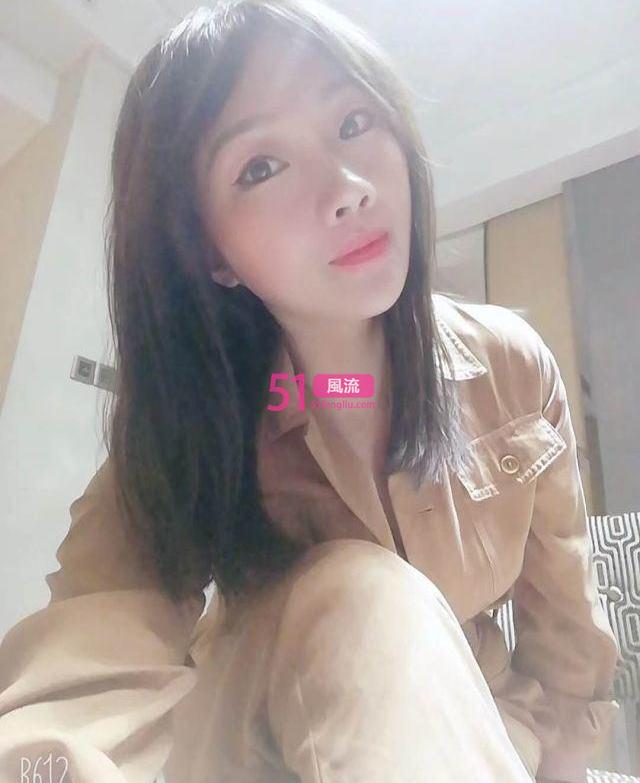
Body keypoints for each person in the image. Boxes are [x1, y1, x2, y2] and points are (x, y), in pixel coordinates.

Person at [0, 1, 620, 782]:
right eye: (261, 167)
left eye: (355, 122)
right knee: (362, 594)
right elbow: (85, 667)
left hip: (478, 725)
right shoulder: (203, 418)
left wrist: (557, 762)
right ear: (212, 252)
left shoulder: (513, 367)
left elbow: (565, 628)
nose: (347, 188)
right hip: (268, 743)